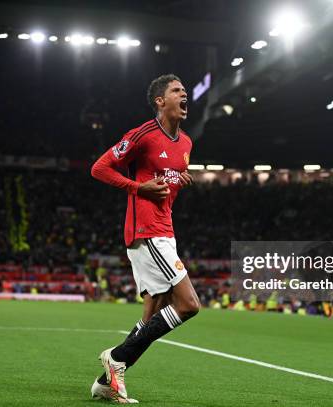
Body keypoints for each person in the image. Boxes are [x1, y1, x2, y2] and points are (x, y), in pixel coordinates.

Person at [89, 74, 200, 403]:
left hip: (166, 231)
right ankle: (117, 358)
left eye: (185, 91)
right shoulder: (143, 135)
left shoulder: (187, 144)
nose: (185, 95)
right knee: (189, 305)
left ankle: (105, 383)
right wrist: (139, 188)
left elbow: (167, 183)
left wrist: (178, 180)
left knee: (152, 317)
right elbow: (100, 167)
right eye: (177, 91)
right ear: (160, 101)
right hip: (146, 232)